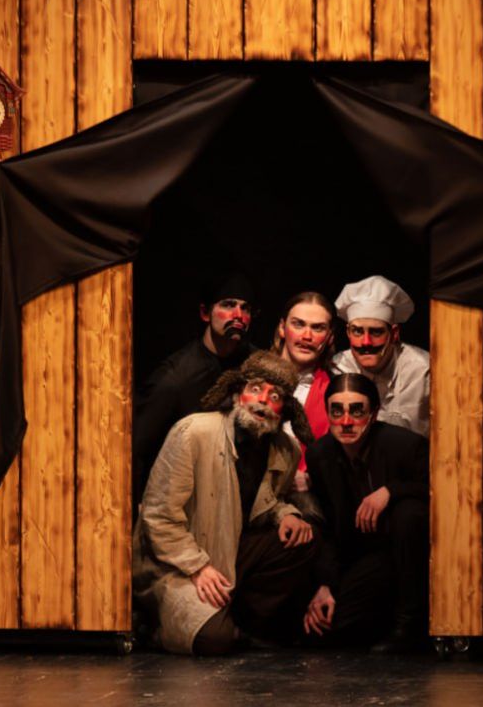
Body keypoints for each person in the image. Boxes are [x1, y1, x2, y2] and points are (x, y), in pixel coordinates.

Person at [134, 351, 318, 655]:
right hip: (178, 561)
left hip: (230, 550)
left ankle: (244, 623)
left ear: (284, 409)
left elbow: (270, 500)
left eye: (274, 396)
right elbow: (159, 516)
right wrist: (197, 566)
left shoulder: (286, 450)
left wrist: (285, 514)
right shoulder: (194, 432)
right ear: (237, 394)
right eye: (255, 389)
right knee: (213, 639)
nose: (262, 400)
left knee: (303, 538)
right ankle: (153, 625)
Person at [302, 373, 430, 653]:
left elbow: (439, 490)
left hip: (408, 552)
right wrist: (325, 584)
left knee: (409, 513)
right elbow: (326, 525)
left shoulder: (405, 446)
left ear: (373, 414)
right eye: (337, 411)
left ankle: (410, 624)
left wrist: (391, 491)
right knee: (329, 628)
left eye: (357, 411)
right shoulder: (320, 455)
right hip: (365, 556)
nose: (346, 421)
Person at [132, 274, 258, 503]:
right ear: (205, 313)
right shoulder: (176, 378)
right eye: (228, 305)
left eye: (245, 308)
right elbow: (139, 448)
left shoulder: (256, 366)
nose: (239, 315)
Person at [331, 276, 430, 437]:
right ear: (348, 332)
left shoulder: (422, 370)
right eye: (357, 331)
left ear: (394, 333)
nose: (366, 342)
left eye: (376, 332)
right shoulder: (337, 368)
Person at [270, 291, 336, 481]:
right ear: (282, 328)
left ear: (330, 337)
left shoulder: (334, 392)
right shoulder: (252, 378)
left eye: (318, 328)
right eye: (298, 324)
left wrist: (311, 480)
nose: (307, 336)